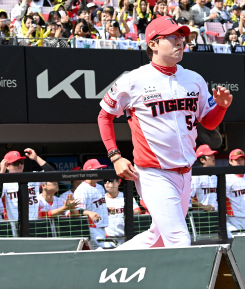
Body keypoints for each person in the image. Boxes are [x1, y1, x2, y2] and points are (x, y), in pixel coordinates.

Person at [97, 16, 232, 248]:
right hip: (153, 173)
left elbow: (208, 123)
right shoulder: (133, 80)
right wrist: (115, 156)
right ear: (152, 43)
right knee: (179, 239)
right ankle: (190, 285)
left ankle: (102, 263)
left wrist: (221, 107)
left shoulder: (194, 79)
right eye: (172, 37)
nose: (181, 41)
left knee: (157, 237)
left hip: (185, 172)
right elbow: (104, 116)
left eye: (182, 37)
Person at [0, 149, 55, 222]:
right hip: (15, 224)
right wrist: (2, 172)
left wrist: (36, 158)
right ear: (7, 166)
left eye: (21, 162)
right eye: (16, 163)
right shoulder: (3, 182)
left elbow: (53, 176)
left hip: (35, 222)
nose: (20, 165)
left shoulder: (32, 176)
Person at [73, 159, 111, 248]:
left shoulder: (100, 187)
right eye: (98, 170)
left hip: (104, 227)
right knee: (106, 250)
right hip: (92, 228)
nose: (100, 172)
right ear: (89, 172)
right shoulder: (82, 189)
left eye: (100, 170)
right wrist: (89, 212)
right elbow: (78, 211)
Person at [224, 149, 245, 238]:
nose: (240, 162)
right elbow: (223, 199)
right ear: (231, 161)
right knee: (236, 244)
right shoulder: (226, 178)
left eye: (242, 159)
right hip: (234, 218)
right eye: (237, 160)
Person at [103, 177, 141, 247]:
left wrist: (127, 212)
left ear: (118, 183)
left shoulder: (126, 196)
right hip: (108, 238)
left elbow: (137, 210)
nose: (107, 183)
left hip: (125, 237)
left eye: (110, 180)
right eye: (105, 181)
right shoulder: (101, 199)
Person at [190, 144, 218, 213]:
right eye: (210, 155)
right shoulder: (196, 177)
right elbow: (188, 199)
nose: (213, 157)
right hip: (202, 216)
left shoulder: (216, 176)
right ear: (202, 160)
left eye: (213, 155)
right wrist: (203, 206)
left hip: (217, 214)